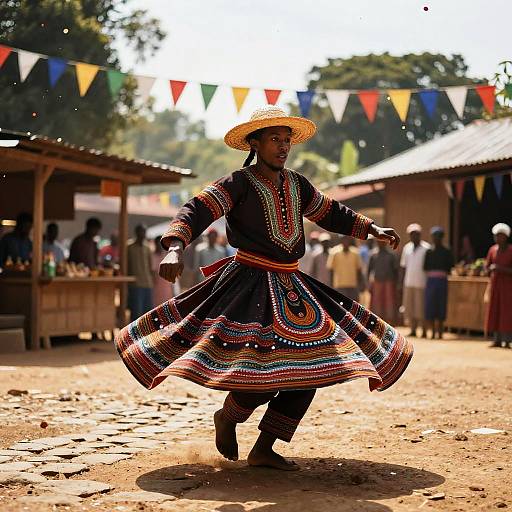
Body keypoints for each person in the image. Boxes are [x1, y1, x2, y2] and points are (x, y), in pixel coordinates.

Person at [115, 105, 412, 471]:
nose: (283, 146)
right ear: (254, 143)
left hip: (293, 284)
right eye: (275, 139)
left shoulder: (298, 184)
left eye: (287, 140)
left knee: (313, 367)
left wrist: (371, 229)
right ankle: (228, 417)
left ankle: (264, 448)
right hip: (248, 285)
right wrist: (175, 246)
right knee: (257, 370)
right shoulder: (236, 183)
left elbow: (331, 212)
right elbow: (195, 210)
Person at [423, 227, 454, 340]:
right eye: (435, 237)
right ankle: (432, 333)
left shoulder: (447, 251)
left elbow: (450, 266)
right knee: (430, 305)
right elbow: (425, 267)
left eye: (438, 237)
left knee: (441, 305)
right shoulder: (429, 251)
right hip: (431, 280)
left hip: (442, 281)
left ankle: (440, 332)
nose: (436, 239)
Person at [400, 223, 430, 338]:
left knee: (421, 308)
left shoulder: (426, 248)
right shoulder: (407, 248)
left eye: (416, 234)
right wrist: (401, 281)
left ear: (420, 235)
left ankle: (424, 330)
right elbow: (403, 266)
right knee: (410, 307)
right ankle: (413, 329)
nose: (414, 236)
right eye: (412, 234)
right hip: (409, 282)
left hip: (421, 282)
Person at [485, 223, 512, 348]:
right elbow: (487, 266)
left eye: (500, 236)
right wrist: (488, 269)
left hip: (508, 286)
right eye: (496, 236)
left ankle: (507, 340)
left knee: (506, 312)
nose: (497, 238)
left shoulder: (511, 250)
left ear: (505, 237)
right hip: (495, 285)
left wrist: (500, 268)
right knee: (495, 310)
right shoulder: (492, 250)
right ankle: (497, 339)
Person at [368, 239, 400, 325]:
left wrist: (397, 284)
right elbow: (369, 270)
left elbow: (396, 270)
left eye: (382, 241)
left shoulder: (391, 255)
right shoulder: (373, 254)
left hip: (389, 282)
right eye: (378, 241)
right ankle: (378, 323)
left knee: (389, 303)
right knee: (377, 304)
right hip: (377, 282)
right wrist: (369, 284)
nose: (380, 243)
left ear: (386, 243)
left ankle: (389, 323)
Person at [127, 225, 153, 321]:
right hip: (135, 284)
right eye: (140, 232)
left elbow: (150, 266)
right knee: (136, 312)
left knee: (147, 312)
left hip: (147, 283)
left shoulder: (147, 248)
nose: (142, 234)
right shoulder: (129, 247)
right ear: (136, 232)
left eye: (144, 232)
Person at [327, 235, 364, 301]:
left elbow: (359, 270)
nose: (345, 241)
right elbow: (331, 270)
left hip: (352, 285)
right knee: (341, 305)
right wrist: (330, 285)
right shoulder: (334, 252)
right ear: (341, 240)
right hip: (339, 285)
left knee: (353, 305)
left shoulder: (355, 252)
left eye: (347, 239)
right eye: (344, 239)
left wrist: (361, 284)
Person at [152, 235, 175, 307]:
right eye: (157, 243)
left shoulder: (168, 256)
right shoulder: (152, 256)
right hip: (155, 286)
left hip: (167, 285)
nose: (159, 246)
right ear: (155, 244)